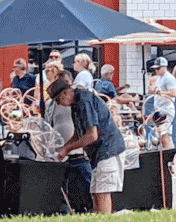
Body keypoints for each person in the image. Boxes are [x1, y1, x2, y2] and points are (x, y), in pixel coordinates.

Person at [50, 74, 127, 214]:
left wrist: (67, 149)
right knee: (96, 193)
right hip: (98, 154)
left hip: (108, 149)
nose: (58, 104)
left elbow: (92, 135)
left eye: (58, 100)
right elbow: (78, 133)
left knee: (102, 192)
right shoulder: (75, 104)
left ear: (66, 93)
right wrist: (63, 148)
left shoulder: (84, 100)